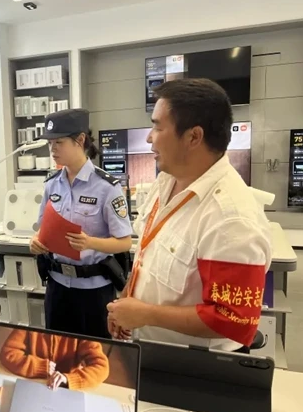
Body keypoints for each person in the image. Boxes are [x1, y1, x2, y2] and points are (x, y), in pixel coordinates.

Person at [107, 78, 272, 352]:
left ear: (194, 137)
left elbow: (235, 320)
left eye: (157, 127)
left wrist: (146, 314)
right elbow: (150, 254)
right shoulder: (167, 182)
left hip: (193, 365)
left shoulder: (230, 218)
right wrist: (128, 300)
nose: (149, 137)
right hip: (147, 347)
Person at [29, 109, 133, 339]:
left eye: (59, 142)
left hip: (93, 292)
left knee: (94, 356)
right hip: (57, 287)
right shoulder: (52, 185)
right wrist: (36, 243)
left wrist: (89, 243)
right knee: (57, 353)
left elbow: (124, 242)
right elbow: (43, 230)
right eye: (50, 143)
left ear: (80, 140)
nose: (53, 149)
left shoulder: (107, 187)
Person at [0, 328, 109, 391]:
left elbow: (101, 367)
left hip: (68, 389)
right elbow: (8, 353)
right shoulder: (31, 319)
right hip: (35, 383)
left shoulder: (83, 328)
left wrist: (69, 379)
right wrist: (39, 367)